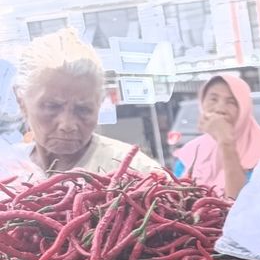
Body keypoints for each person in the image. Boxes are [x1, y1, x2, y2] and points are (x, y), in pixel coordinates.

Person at [7, 29, 160, 182]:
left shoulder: (140, 172)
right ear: (21, 101)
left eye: (83, 109)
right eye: (51, 106)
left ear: (99, 105)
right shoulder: (6, 168)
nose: (67, 125)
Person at [173, 74, 260, 199]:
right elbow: (176, 198)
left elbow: (238, 202)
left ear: (243, 109)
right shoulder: (191, 150)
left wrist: (226, 142)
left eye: (231, 102)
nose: (220, 108)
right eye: (213, 99)